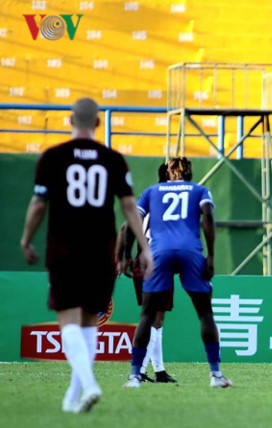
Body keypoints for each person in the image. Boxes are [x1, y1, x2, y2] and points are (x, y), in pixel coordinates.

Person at [20, 98, 153, 413]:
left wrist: (26, 239)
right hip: (100, 248)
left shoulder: (53, 157)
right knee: (90, 322)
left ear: (70, 120)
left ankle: (89, 384)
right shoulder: (114, 159)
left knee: (68, 320)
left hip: (64, 247)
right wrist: (145, 249)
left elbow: (39, 205)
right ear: (97, 123)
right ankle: (72, 397)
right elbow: (129, 206)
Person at [124, 157, 232, 388]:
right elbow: (208, 218)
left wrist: (127, 255)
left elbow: (133, 220)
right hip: (190, 251)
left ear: (169, 173)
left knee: (147, 315)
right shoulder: (200, 190)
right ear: (190, 172)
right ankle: (215, 374)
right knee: (205, 313)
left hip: (158, 252)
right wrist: (211, 255)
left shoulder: (152, 191)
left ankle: (135, 376)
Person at [116, 162, 176, 383]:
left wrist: (123, 257)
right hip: (156, 263)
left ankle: (158, 370)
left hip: (144, 263)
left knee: (155, 319)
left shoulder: (149, 197)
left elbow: (126, 227)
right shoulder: (169, 201)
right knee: (153, 318)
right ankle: (139, 371)